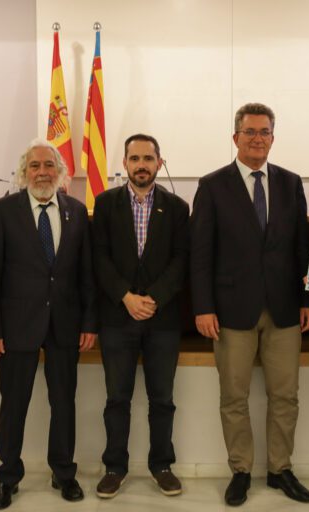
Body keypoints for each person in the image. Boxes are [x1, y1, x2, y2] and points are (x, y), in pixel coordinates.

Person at [190, 103, 309, 506]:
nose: (257, 139)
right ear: (236, 138)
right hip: (230, 311)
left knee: (286, 396)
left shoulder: (291, 183)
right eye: (250, 132)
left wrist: (307, 299)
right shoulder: (212, 185)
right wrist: (203, 306)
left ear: (273, 138)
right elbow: (200, 253)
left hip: (284, 309)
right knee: (234, 396)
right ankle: (241, 470)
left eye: (264, 132)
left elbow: (301, 247)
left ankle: (280, 469)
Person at [0, 139, 97, 510]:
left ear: (60, 172)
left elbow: (86, 273)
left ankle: (63, 472)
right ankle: (7, 478)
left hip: (65, 324)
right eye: (35, 166)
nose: (42, 172)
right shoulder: (2, 211)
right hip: (16, 326)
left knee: (63, 402)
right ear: (23, 172)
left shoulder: (76, 211)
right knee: (14, 404)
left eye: (49, 165)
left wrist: (89, 322)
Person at [92, 133, 189, 499]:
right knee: (117, 399)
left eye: (148, 158)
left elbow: (181, 260)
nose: (142, 165)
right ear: (125, 163)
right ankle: (114, 468)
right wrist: (126, 297)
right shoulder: (105, 204)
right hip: (118, 318)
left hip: (162, 320)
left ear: (159, 163)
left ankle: (161, 466)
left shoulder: (177, 207)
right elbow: (99, 257)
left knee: (162, 399)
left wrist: (153, 299)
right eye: (135, 159)